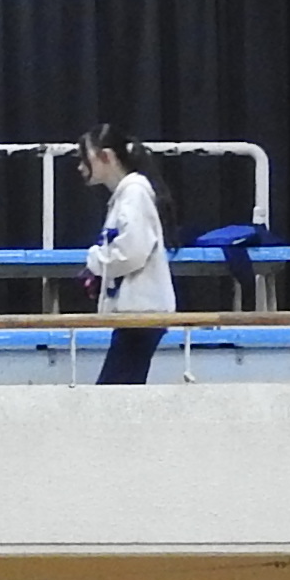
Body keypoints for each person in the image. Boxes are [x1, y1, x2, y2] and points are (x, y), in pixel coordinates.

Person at [77, 129, 176, 388]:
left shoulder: (135, 194)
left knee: (114, 394)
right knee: (120, 391)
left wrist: (96, 262)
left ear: (106, 156)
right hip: (136, 313)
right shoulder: (127, 195)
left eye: (85, 158)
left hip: (142, 313)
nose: (80, 166)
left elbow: (132, 252)